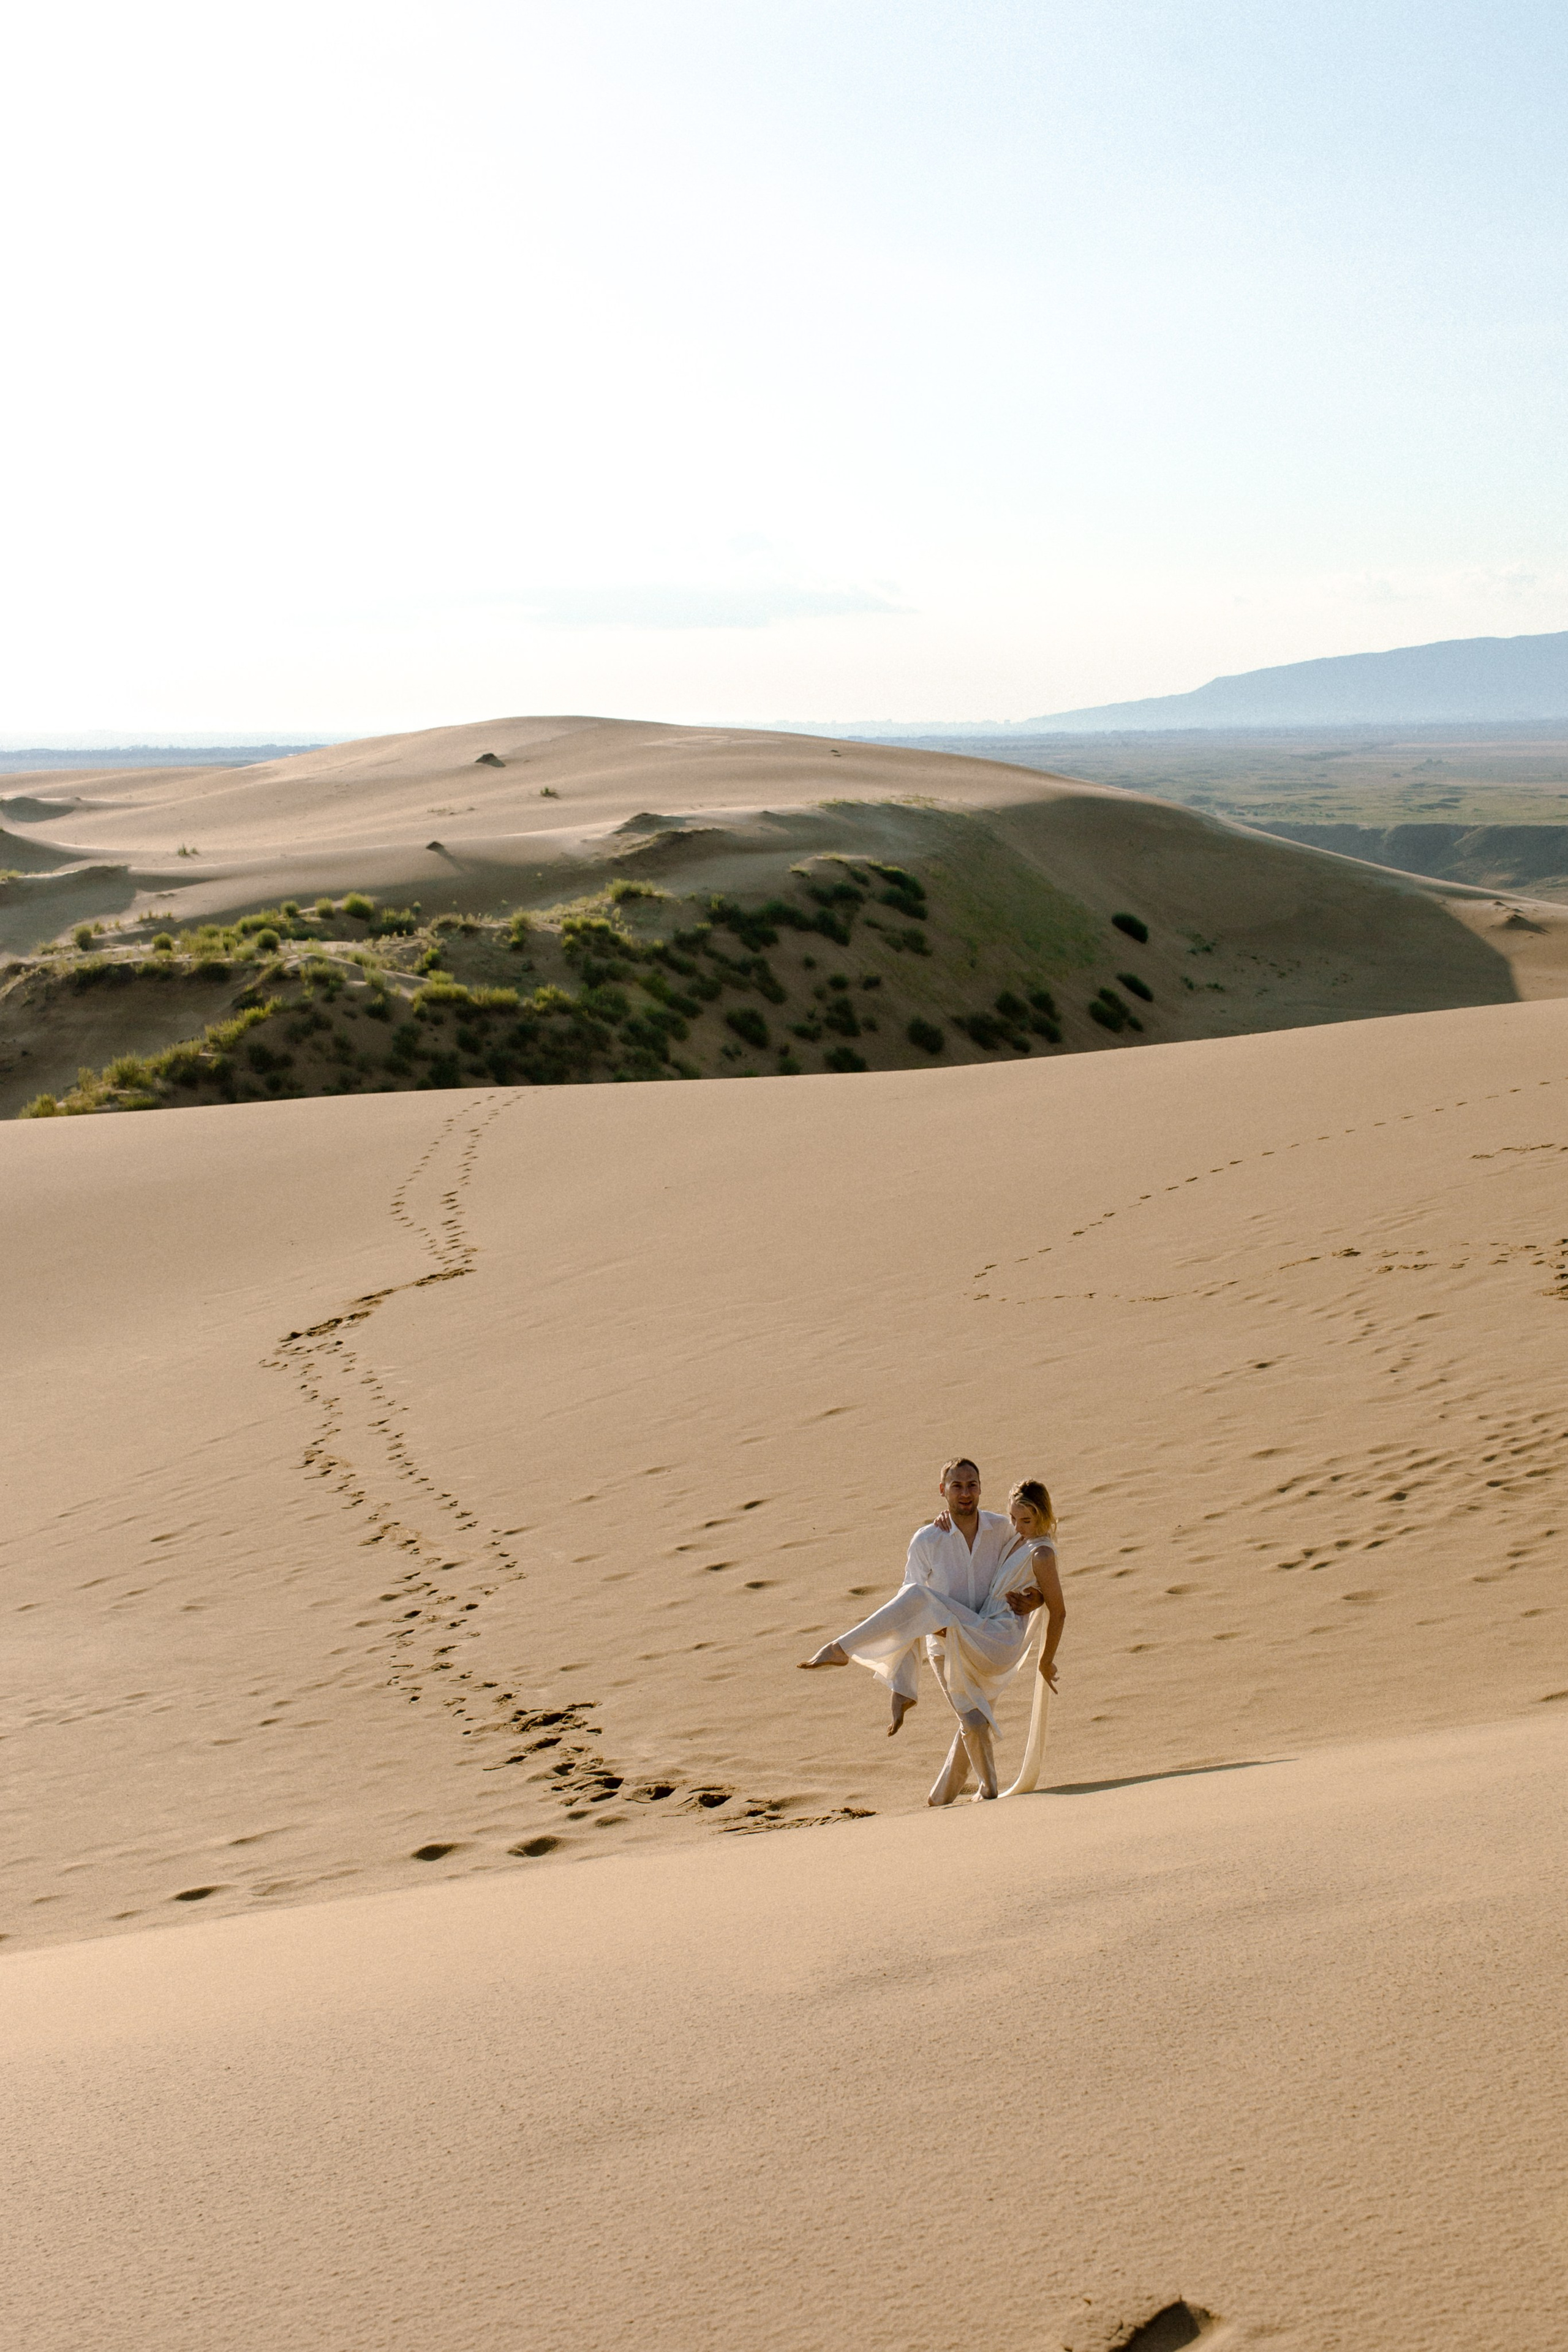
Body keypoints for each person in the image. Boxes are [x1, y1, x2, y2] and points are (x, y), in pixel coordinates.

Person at [799, 1460, 1063, 1803]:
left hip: (989, 1639)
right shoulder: (929, 1538)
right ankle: (941, 1798)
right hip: (948, 1643)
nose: (966, 1493)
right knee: (972, 1720)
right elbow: (906, 1618)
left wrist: (1037, 1599)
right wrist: (903, 1681)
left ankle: (841, 1648)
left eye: (972, 1485)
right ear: (943, 1490)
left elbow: (1042, 1565)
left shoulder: (1005, 1529)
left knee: (973, 1718)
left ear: (982, 1488)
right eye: (957, 1486)